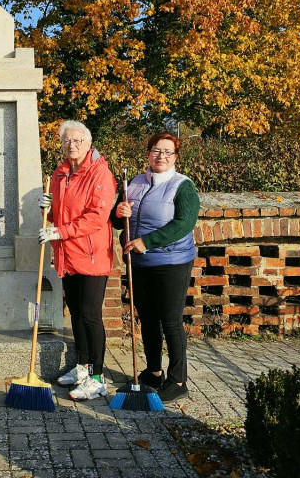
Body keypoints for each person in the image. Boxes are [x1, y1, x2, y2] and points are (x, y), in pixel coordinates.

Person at [113, 132, 199, 402]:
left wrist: (147, 242)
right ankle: (152, 372)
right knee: (147, 318)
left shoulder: (183, 186)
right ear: (148, 153)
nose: (161, 156)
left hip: (171, 262)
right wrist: (119, 212)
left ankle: (178, 380)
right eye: (156, 150)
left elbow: (184, 224)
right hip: (140, 262)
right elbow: (117, 220)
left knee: (170, 321)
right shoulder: (135, 183)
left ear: (175, 157)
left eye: (167, 152)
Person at [39, 120, 116, 401]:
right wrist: (48, 207)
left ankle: (97, 378)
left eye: (77, 141)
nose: (71, 145)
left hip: (92, 255)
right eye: (66, 141)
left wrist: (61, 231)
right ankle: (83, 367)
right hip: (67, 256)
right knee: (77, 316)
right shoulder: (60, 175)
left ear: (88, 143)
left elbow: (96, 217)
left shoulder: (100, 174)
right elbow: (61, 213)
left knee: (91, 316)